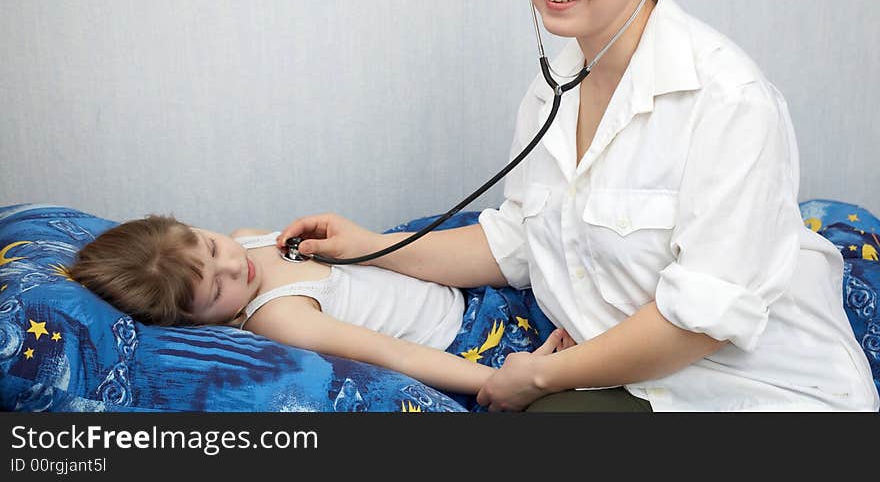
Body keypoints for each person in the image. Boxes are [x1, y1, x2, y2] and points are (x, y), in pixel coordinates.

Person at [277, 0, 880, 412]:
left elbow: (704, 322)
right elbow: (515, 244)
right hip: (621, 379)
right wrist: (367, 248)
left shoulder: (730, 101)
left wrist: (537, 375)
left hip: (754, 393)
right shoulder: (554, 89)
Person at [69, 214, 569, 398]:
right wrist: (495, 381)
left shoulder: (248, 239)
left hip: (458, 286)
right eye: (217, 291)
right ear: (197, 323)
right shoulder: (281, 317)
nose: (234, 266)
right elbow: (397, 356)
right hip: (468, 338)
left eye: (212, 247)